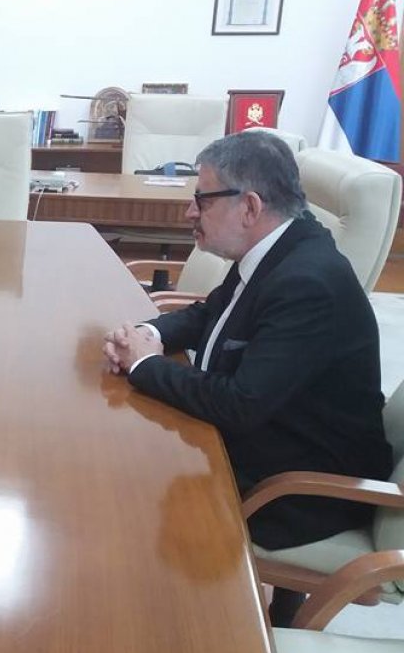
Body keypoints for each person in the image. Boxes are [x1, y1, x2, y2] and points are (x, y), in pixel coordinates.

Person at [102, 130, 391, 626]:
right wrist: (146, 334)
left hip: (297, 490)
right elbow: (209, 312)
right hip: (271, 443)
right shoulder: (281, 247)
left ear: (250, 207)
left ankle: (175, 625)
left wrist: (145, 366)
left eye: (201, 199)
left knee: (121, 496)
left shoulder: (307, 282)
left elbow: (239, 405)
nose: (189, 212)